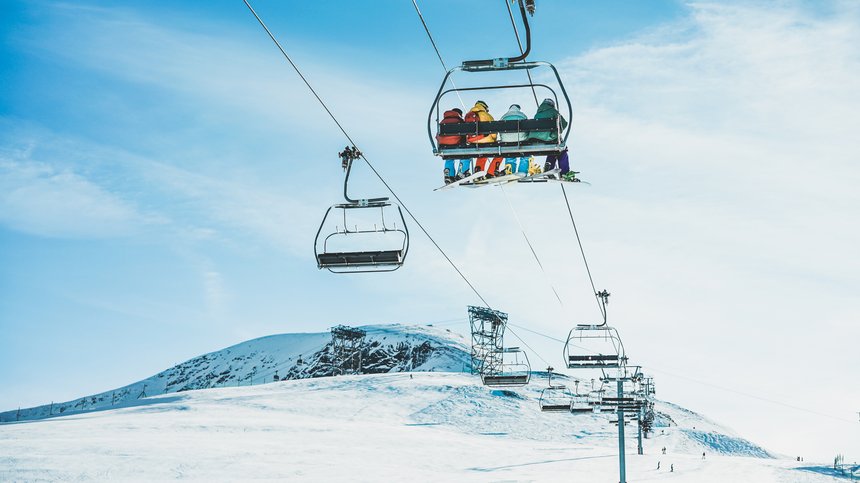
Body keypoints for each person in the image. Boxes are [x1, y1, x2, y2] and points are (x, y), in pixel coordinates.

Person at [465, 101, 503, 178]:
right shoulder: (487, 115)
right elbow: (493, 130)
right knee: (501, 153)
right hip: (486, 140)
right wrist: (494, 139)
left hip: (473, 141)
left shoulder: (468, 116)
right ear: (485, 107)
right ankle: (491, 172)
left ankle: (478, 172)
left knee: (482, 154)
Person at [436, 107, 472, 184]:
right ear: (460, 114)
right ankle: (462, 172)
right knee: (466, 155)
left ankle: (449, 175)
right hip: (457, 144)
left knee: (449, 157)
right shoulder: (459, 121)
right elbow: (465, 133)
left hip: (444, 146)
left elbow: (437, 135)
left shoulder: (442, 122)